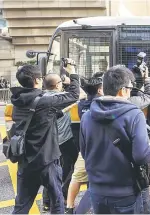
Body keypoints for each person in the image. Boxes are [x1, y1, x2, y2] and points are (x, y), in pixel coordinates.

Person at [80, 66, 150, 214]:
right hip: (125, 192)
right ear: (123, 90)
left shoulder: (87, 116)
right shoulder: (134, 115)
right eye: (131, 88)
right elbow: (141, 156)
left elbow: (84, 152)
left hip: (96, 191)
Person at [11, 63, 80, 214]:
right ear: (37, 80)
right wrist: (72, 73)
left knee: (22, 205)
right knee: (57, 202)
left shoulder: (18, 101)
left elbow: (37, 120)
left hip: (25, 161)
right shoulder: (44, 101)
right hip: (47, 160)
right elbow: (74, 95)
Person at [65, 74, 104, 214]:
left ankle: (69, 206)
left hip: (86, 147)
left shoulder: (82, 105)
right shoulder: (103, 105)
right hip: (101, 148)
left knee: (77, 177)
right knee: (96, 182)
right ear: (99, 90)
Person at [41, 73, 79, 212]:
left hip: (49, 142)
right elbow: (76, 94)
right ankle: (62, 195)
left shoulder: (41, 98)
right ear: (57, 85)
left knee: (50, 170)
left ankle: (46, 201)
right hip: (65, 141)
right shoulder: (60, 98)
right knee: (72, 168)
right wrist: (73, 75)